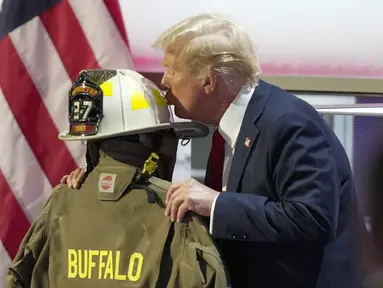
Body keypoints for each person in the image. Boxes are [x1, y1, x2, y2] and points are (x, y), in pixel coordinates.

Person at [62, 14, 364, 287]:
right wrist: (95, 178)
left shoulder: (289, 123)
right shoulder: (229, 126)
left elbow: (311, 218)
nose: (164, 81)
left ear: (209, 80)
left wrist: (216, 204)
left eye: (172, 70)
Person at [6, 69, 231, 287]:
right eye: (168, 139)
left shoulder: (61, 201)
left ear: (93, 147)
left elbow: (19, 276)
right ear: (150, 143)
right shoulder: (178, 213)